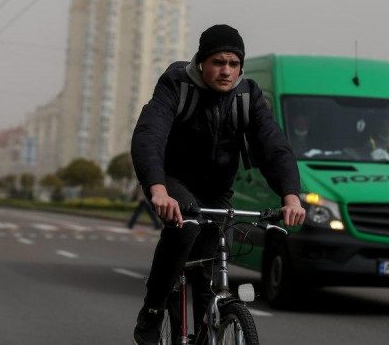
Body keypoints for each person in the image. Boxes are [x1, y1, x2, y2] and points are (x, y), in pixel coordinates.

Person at [130, 24, 305, 345]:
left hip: (217, 188)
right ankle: (153, 310)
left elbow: (273, 146)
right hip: (174, 181)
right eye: (218, 62)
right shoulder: (176, 84)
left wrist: (291, 196)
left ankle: (203, 330)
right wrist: (157, 189)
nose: (226, 71)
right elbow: (149, 135)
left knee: (207, 268)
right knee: (186, 227)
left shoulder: (247, 96)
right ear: (201, 62)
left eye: (233, 63)